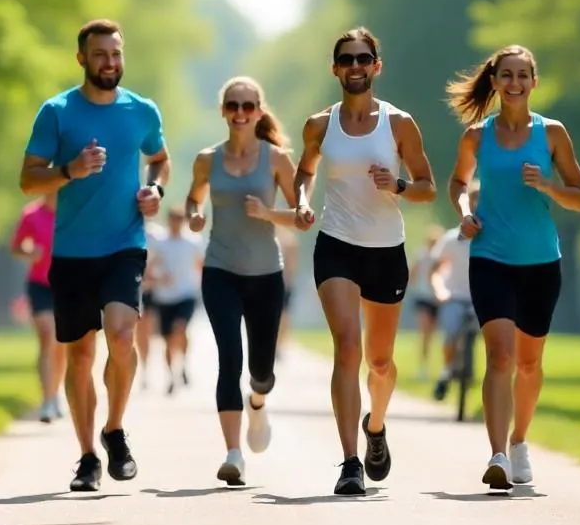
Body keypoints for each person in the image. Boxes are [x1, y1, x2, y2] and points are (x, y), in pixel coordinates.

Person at [20, 18, 170, 493]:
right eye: (101, 54)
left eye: (116, 53)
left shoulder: (141, 110)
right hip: (71, 251)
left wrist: (155, 189)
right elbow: (28, 178)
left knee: (123, 336)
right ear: (82, 58)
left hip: (125, 243)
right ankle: (87, 456)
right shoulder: (57, 111)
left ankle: (115, 428)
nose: (110, 62)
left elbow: (160, 159)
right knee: (81, 354)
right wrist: (70, 169)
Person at [293, 27, 436, 497]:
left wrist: (395, 186)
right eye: (346, 59)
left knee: (379, 361)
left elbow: (427, 187)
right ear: (335, 68)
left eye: (363, 58)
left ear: (377, 66)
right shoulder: (319, 125)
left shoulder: (399, 124)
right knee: (348, 348)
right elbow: (304, 174)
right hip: (336, 244)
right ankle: (350, 461)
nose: (355, 66)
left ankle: (376, 426)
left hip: (386, 250)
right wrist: (300, 202)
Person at [447, 44, 580, 489]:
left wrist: (547, 184)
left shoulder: (552, 134)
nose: (514, 83)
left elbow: (579, 198)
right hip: (490, 257)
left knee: (529, 364)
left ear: (533, 82)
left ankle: (520, 440)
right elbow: (458, 183)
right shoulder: (476, 136)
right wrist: (465, 213)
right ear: (495, 81)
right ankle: (498, 455)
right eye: (506, 75)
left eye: (522, 75)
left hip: (541, 262)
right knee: (500, 357)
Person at [186, 76, 298, 486]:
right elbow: (193, 199)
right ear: (223, 111)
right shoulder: (206, 159)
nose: (240, 113)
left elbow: (301, 216)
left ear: (259, 111)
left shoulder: (277, 159)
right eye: (233, 105)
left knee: (261, 370)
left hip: (267, 274)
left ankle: (258, 402)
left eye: (248, 106)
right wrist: (195, 215)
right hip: (220, 270)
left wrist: (269, 214)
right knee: (229, 358)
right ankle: (233, 453)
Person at [9, 192, 66, 422]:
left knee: (61, 344)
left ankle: (55, 392)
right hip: (40, 284)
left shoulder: (72, 212)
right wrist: (30, 252)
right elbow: (16, 247)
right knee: (47, 336)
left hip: (67, 283)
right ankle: (46, 400)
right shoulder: (31, 214)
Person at [429, 190, 478, 401]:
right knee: (450, 335)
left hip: (481, 298)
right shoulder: (451, 239)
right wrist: (440, 291)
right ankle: (447, 372)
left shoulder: (494, 237)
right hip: (454, 296)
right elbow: (435, 270)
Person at [149, 206, 203, 394]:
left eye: (179, 220)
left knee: (180, 328)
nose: (176, 224)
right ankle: (172, 375)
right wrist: (158, 277)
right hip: (164, 297)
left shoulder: (193, 242)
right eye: (173, 220)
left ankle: (185, 363)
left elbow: (200, 265)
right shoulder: (160, 243)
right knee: (168, 340)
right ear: (168, 220)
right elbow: (151, 268)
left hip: (186, 294)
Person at [409, 224, 444, 381]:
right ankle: (422, 367)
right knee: (424, 333)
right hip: (423, 297)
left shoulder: (441, 257)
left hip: (437, 299)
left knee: (431, 335)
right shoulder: (421, 255)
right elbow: (413, 274)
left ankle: (437, 366)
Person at [137, 219, 167, 390]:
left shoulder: (158, 235)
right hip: (139, 289)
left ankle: (168, 366)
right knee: (142, 330)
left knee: (163, 332)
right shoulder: (125, 230)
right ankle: (145, 368)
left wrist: (154, 274)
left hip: (158, 290)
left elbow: (166, 260)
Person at [274, 224, 300, 359]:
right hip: (270, 283)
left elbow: (291, 266)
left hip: (284, 283)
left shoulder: (289, 241)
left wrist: (287, 282)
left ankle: (278, 345)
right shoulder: (269, 238)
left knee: (283, 316)